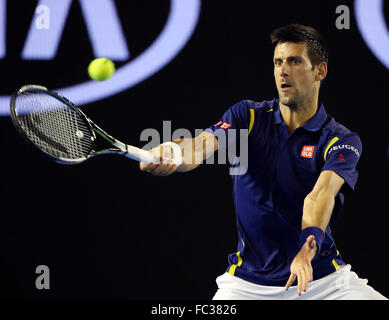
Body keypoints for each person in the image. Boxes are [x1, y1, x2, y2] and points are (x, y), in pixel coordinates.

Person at [140, 24, 387, 300]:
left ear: (320, 71)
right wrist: (175, 152)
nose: (283, 71)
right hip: (246, 286)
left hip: (322, 282)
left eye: (295, 61)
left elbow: (319, 196)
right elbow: (202, 145)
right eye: (278, 62)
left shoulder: (341, 139)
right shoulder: (247, 116)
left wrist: (306, 249)